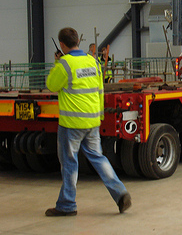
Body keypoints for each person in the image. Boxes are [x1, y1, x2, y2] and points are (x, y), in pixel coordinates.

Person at [45, 27, 131, 217]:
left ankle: (67, 205)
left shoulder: (65, 63)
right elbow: (100, 89)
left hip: (71, 124)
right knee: (98, 158)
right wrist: (99, 116)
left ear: (62, 44)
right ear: (77, 41)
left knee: (69, 163)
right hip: (92, 120)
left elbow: (51, 85)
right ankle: (120, 193)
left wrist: (57, 62)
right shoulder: (92, 61)